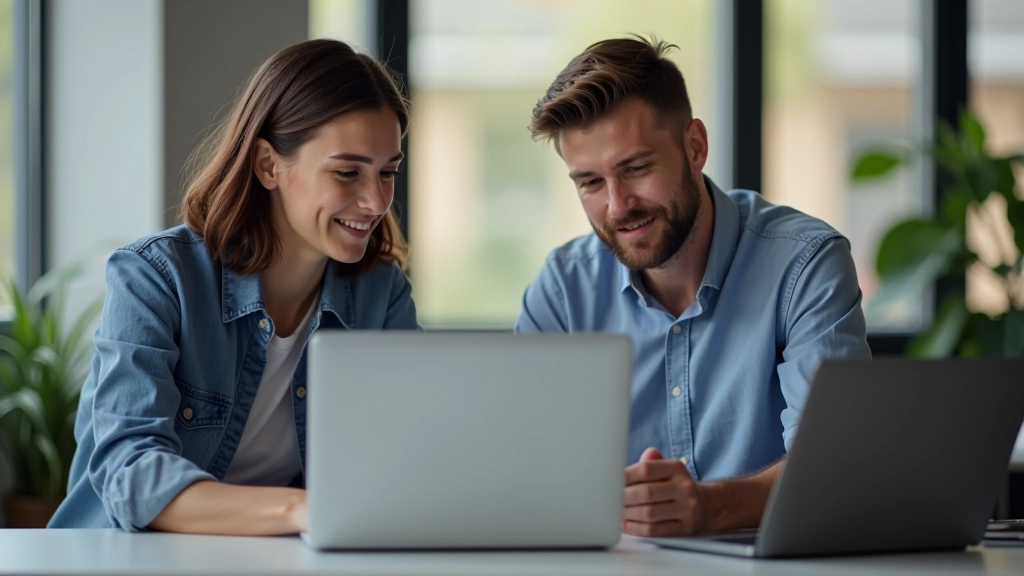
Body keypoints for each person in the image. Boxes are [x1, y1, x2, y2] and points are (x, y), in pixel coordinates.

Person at [48, 39, 417, 534]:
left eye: (388, 172)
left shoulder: (382, 294)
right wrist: (300, 510)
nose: (375, 201)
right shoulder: (154, 278)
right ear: (268, 165)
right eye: (347, 172)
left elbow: (403, 462)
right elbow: (131, 476)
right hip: (129, 559)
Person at [517, 36, 871, 537]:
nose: (618, 206)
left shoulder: (803, 264)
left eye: (636, 168)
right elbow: (521, 471)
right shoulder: (561, 292)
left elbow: (837, 464)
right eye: (590, 183)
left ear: (695, 146)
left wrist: (713, 508)